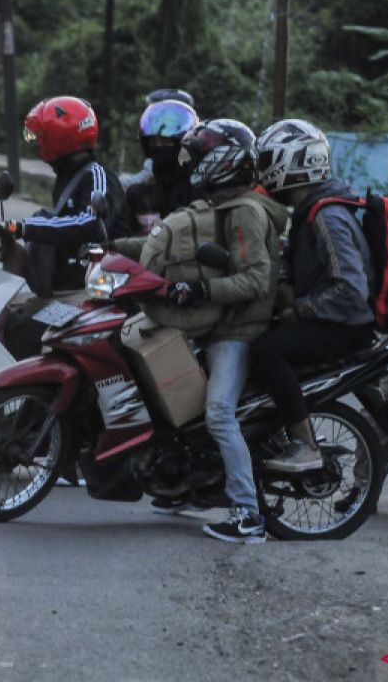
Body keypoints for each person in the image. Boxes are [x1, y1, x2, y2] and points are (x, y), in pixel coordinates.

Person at [120, 118, 288, 543]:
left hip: (238, 330)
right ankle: (185, 486)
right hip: (215, 322)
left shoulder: (246, 211)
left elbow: (254, 280)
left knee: (217, 413)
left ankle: (249, 515)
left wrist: (200, 289)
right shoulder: (221, 204)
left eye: (201, 155)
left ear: (226, 161)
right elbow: (170, 246)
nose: (194, 162)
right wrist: (110, 247)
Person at [247, 119, 378, 473]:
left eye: (270, 160)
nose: (263, 169)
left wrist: (299, 310)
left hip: (345, 326)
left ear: (297, 162)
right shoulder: (310, 211)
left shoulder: (328, 216)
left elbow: (351, 289)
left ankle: (305, 444)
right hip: (330, 320)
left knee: (265, 350)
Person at [0, 96, 129, 295]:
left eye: (42, 136)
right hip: (67, 278)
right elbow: (60, 225)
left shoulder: (97, 176)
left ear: (59, 137)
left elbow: (90, 224)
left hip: (97, 283)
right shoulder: (67, 176)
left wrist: (25, 227)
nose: (38, 143)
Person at [124, 99, 200, 234]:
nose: (159, 148)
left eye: (165, 142)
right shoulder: (141, 193)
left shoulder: (197, 188)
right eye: (154, 142)